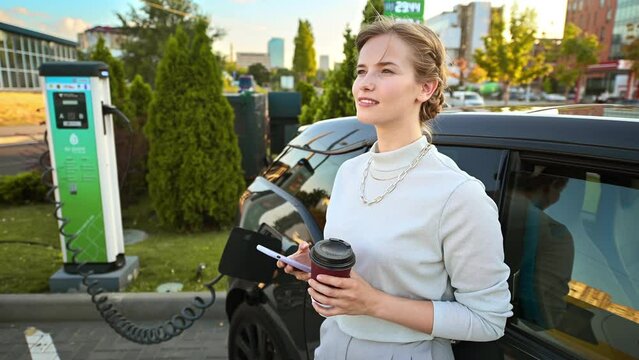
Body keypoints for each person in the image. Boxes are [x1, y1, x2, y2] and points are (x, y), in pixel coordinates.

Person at [278, 17, 512, 359]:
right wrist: (317, 265)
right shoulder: (348, 172)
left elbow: (488, 320)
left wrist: (374, 303)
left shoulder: (458, 195)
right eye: (361, 71)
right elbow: (370, 261)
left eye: (386, 71)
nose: (365, 84)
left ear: (426, 88)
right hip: (332, 346)